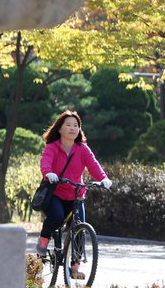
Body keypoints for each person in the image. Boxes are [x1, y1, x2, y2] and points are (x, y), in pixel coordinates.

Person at [35, 109, 112, 278]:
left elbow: (94, 165)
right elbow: (45, 162)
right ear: (60, 128)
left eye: (76, 125)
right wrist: (49, 173)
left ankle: (75, 267)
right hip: (56, 192)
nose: (72, 128)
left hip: (76, 194)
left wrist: (104, 179)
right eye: (68, 125)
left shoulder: (82, 149)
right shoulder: (52, 146)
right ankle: (43, 242)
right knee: (56, 217)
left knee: (79, 228)